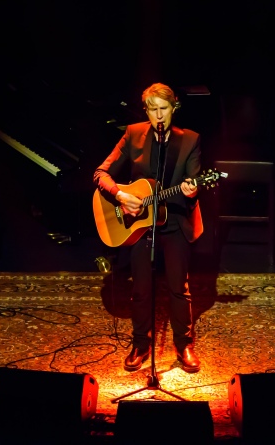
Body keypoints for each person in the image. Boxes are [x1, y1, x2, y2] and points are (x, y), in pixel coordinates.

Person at [94, 82, 203, 373]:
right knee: (141, 289)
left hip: (176, 220)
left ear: (174, 108)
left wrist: (191, 189)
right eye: (152, 109)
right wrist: (120, 194)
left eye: (163, 109)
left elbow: (193, 180)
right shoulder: (132, 134)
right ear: (146, 110)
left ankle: (184, 345)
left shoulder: (190, 140)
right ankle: (141, 344)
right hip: (140, 227)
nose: (158, 116)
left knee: (179, 287)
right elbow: (101, 172)